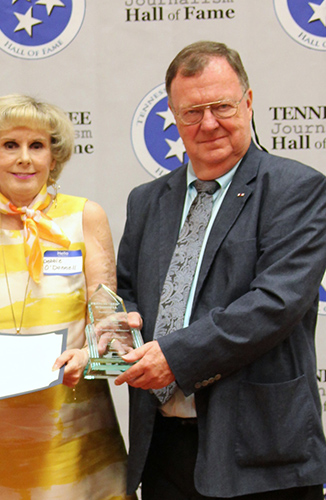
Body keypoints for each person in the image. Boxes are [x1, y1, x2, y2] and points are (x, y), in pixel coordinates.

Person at [114, 41, 326, 499]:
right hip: (164, 448)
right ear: (172, 115)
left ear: (248, 102)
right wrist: (119, 331)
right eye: (192, 112)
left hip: (261, 451)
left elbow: (275, 303)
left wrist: (174, 357)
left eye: (222, 106)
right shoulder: (146, 201)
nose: (208, 123)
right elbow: (127, 289)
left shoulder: (297, 189)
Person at [0, 94, 128, 499]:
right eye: (10, 145)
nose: (24, 158)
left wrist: (91, 355)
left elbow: (111, 330)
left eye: (37, 145)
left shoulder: (85, 216)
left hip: (72, 432)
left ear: (53, 157)